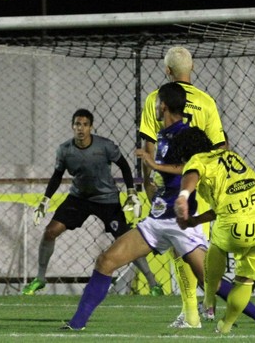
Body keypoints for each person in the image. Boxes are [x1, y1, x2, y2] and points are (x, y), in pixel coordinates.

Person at [63, 84, 255, 331]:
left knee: (210, 282)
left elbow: (194, 167)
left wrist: (155, 166)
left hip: (181, 222)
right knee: (106, 261)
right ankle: (76, 326)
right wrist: (153, 186)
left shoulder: (188, 135)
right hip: (158, 220)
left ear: (163, 105)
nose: (155, 108)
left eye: (157, 103)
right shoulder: (162, 135)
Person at [22, 108, 162, 296]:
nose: (81, 128)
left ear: (91, 127)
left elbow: (124, 166)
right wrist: (45, 200)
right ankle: (40, 278)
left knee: (125, 239)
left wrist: (130, 192)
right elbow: (57, 175)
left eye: (85, 125)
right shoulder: (65, 150)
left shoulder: (104, 146)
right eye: (77, 124)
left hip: (107, 199)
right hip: (79, 199)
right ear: (72, 126)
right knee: (50, 231)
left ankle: (153, 283)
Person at [138, 46, 224, 326]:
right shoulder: (207, 102)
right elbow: (221, 147)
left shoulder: (156, 98)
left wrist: (148, 185)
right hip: (205, 186)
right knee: (198, 250)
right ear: (193, 68)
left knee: (182, 249)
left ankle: (192, 314)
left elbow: (149, 146)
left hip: (174, 187)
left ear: (167, 71)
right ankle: (206, 308)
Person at [172, 126, 255, 334]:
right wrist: (195, 221)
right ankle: (225, 326)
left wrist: (184, 196)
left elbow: (192, 175)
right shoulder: (232, 157)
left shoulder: (199, 159)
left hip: (236, 223)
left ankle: (208, 300)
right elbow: (225, 204)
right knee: (245, 280)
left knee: (217, 248)